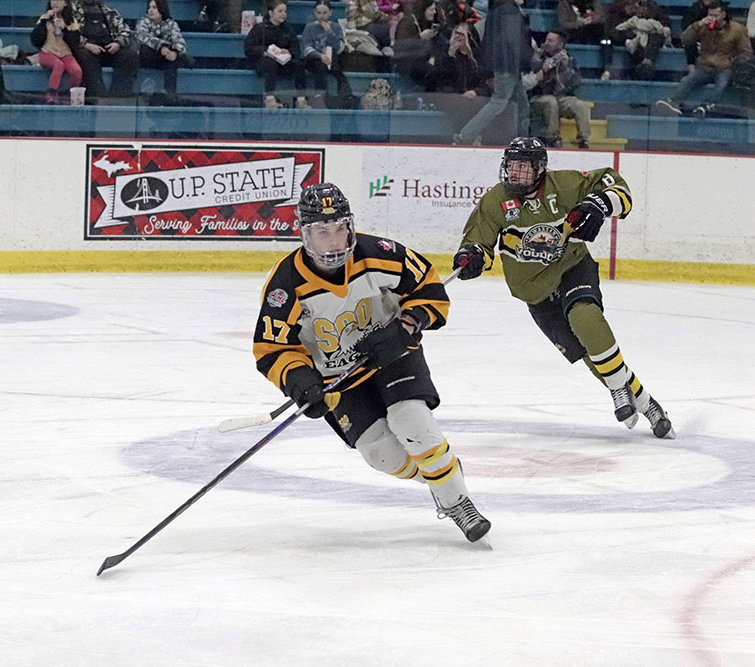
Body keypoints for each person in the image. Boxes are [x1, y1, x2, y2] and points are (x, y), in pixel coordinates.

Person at [252, 183, 492, 544]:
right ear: (305, 234)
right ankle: (443, 474)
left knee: (412, 422)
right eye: (322, 233)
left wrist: (406, 325)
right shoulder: (285, 285)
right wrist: (300, 381)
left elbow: (429, 289)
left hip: (393, 355)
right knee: (381, 454)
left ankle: (457, 502)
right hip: (339, 379)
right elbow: (272, 348)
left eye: (340, 229)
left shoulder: (379, 253)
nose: (334, 242)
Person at [452, 137, 674, 439]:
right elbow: (478, 240)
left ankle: (617, 389)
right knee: (590, 353)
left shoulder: (566, 185)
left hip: (571, 267)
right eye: (511, 166)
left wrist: (600, 203)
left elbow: (617, 187)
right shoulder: (495, 201)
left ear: (540, 169)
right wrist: (473, 256)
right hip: (536, 294)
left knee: (585, 317)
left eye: (522, 167)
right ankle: (648, 404)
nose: (514, 173)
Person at [453, 0, 531, 146]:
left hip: (504, 63)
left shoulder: (498, 8)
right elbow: (512, 41)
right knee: (499, 100)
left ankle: (523, 139)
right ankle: (465, 135)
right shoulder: (508, 9)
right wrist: (524, 61)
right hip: (508, 64)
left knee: (522, 104)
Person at [655, 0, 751, 116]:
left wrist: (732, 62)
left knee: (721, 84)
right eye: (710, 15)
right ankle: (674, 101)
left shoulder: (737, 29)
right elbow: (686, 40)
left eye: (715, 15)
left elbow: (746, 51)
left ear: (723, 15)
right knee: (688, 80)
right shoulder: (703, 27)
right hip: (705, 65)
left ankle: (707, 105)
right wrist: (697, 25)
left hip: (725, 67)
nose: (712, 18)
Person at [528, 31, 592, 149]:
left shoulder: (570, 59)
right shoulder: (538, 57)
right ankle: (553, 139)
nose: (546, 43)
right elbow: (532, 81)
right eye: (546, 40)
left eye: (551, 41)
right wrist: (545, 69)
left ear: (560, 44)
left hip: (562, 97)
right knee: (550, 102)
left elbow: (575, 83)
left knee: (581, 106)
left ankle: (584, 140)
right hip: (540, 97)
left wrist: (566, 66)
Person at [244, 0, 310, 109]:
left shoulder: (288, 29)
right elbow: (249, 49)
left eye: (285, 11)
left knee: (299, 65)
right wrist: (266, 50)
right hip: (264, 62)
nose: (283, 14)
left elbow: (296, 49)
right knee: (270, 64)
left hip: (284, 62)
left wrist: (289, 52)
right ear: (271, 13)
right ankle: (269, 99)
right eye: (280, 11)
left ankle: (301, 100)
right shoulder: (259, 28)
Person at [72, 0, 139, 101]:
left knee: (130, 56)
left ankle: (118, 97)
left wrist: (118, 43)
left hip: (109, 48)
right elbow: (70, 34)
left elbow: (125, 31)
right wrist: (87, 45)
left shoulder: (109, 11)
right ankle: (98, 96)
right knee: (84, 56)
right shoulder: (73, 12)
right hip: (88, 49)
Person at [300, 0, 353, 106]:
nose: (322, 16)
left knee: (337, 68)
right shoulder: (309, 27)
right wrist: (320, 55)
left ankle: (346, 96)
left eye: (324, 13)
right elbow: (306, 48)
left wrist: (329, 32)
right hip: (314, 59)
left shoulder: (336, 27)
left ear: (330, 13)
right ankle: (320, 95)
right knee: (320, 65)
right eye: (319, 13)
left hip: (332, 58)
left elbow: (339, 48)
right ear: (314, 13)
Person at [136, 0, 189, 100]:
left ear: (162, 9)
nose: (150, 10)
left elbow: (180, 41)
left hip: (164, 58)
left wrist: (175, 52)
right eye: (149, 7)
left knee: (172, 60)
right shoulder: (142, 21)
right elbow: (143, 37)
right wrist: (161, 47)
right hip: (147, 58)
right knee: (146, 48)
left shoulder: (171, 24)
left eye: (154, 7)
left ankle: (169, 94)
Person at [32, 0, 83, 103]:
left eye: (59, 0)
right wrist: (44, 22)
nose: (55, 3)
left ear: (65, 3)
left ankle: (70, 95)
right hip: (47, 53)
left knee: (77, 71)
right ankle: (51, 94)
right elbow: (35, 40)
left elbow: (75, 42)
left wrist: (64, 29)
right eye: (53, 0)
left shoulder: (71, 21)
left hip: (65, 54)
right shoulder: (44, 18)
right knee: (58, 65)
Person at [556, 0, 611, 79]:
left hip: (592, 28)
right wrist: (581, 23)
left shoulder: (593, 2)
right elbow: (563, 24)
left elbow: (601, 16)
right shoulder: (564, 3)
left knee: (606, 38)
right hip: (574, 32)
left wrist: (591, 19)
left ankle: (607, 70)